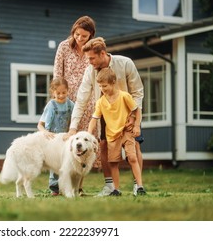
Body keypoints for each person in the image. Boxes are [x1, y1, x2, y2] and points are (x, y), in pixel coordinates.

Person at [66, 37, 145, 197]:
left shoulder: (125, 63)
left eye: (91, 58)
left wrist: (133, 117)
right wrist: (73, 127)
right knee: (103, 146)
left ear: (102, 53)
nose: (89, 62)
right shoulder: (90, 71)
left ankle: (138, 185)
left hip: (128, 110)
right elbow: (81, 99)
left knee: (134, 148)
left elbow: (138, 92)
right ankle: (111, 187)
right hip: (106, 112)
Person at [53, 15, 98, 195]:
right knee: (63, 143)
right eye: (77, 34)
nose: (79, 38)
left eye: (84, 36)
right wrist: (57, 99)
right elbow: (57, 74)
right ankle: (57, 186)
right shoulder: (64, 47)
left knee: (84, 146)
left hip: (88, 103)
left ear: (91, 36)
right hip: (66, 101)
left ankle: (78, 188)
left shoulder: (94, 50)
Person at [87, 68, 145, 196]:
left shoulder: (124, 96)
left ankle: (140, 186)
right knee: (113, 163)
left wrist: (136, 126)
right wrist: (88, 134)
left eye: (105, 86)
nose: (102, 89)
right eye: (100, 86)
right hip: (112, 136)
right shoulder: (101, 102)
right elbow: (94, 119)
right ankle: (116, 189)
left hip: (126, 131)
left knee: (132, 157)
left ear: (113, 82)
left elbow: (137, 110)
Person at [37, 77, 75, 196]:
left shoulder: (70, 104)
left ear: (68, 91)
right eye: (58, 93)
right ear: (53, 92)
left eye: (64, 92)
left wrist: (71, 132)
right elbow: (40, 125)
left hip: (65, 138)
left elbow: (75, 120)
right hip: (52, 138)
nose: (61, 95)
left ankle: (66, 186)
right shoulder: (51, 105)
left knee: (65, 162)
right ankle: (55, 188)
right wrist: (45, 132)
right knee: (54, 163)